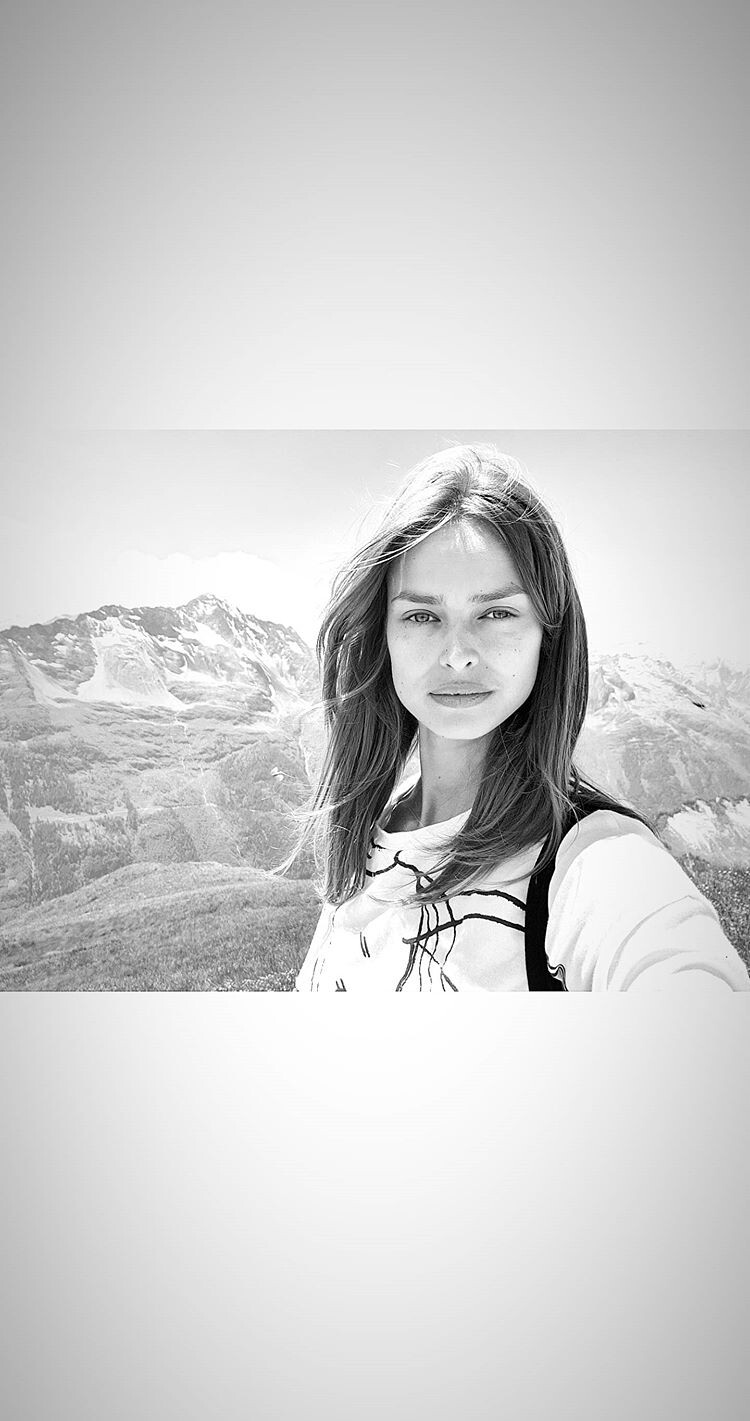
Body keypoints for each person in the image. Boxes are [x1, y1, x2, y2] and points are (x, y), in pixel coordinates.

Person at [284, 445, 749, 993]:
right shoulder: (365, 839)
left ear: (547, 636)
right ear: (381, 637)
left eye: (497, 612)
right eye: (422, 615)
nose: (457, 654)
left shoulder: (593, 860)